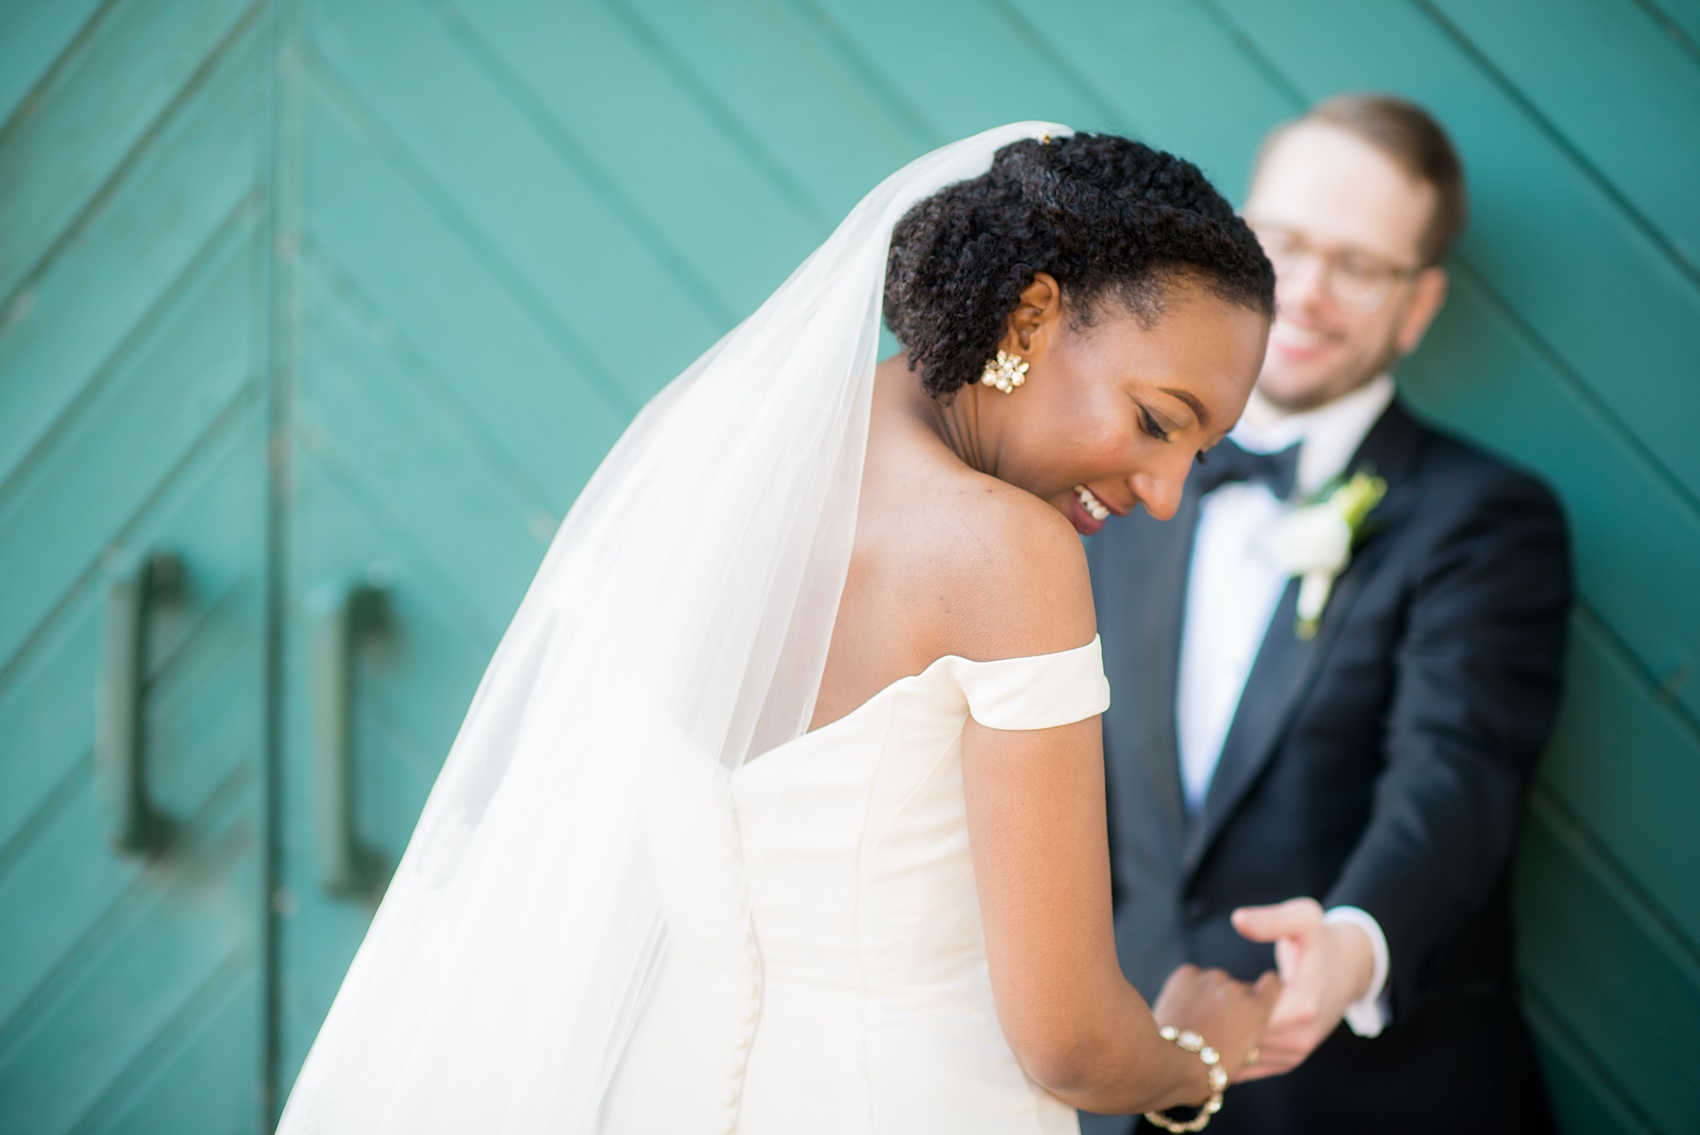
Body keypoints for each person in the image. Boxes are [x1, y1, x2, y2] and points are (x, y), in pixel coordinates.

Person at [276, 124, 1286, 1134]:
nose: (1163, 495)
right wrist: (1195, 1056)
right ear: (1028, 318)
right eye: (1158, 420)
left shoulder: (710, 457)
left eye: (1199, 453)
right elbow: (1065, 1036)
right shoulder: (1005, 555)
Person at [1083, 95, 1571, 1134]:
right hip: (1109, 1088)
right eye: (1283, 245)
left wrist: (1356, 938)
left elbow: (1458, 769)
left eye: (1357, 265)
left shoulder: (1486, 521)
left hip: (1372, 1099)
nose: (1304, 292)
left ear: (1417, 303)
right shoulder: (1105, 483)